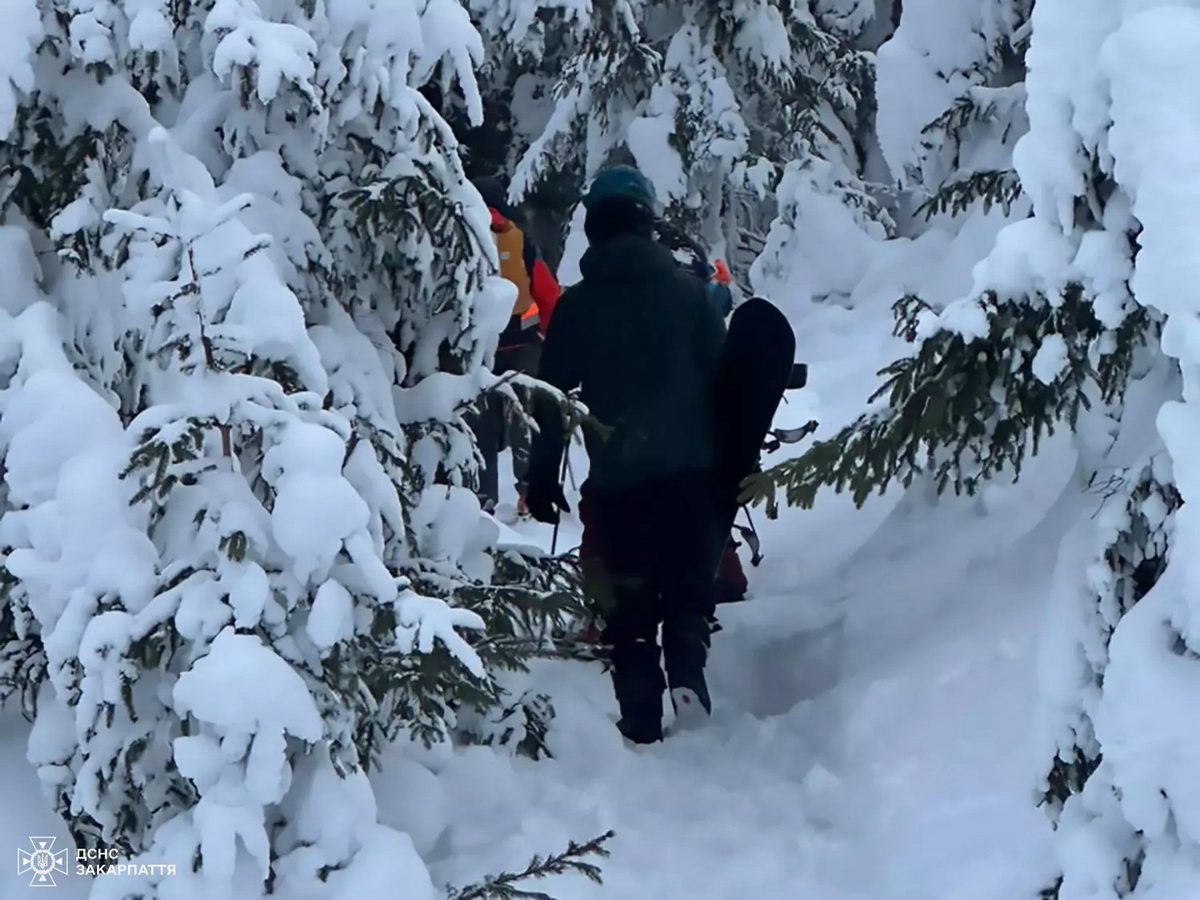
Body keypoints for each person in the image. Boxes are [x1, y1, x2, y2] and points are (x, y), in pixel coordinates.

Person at [524, 166, 728, 744]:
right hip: (692, 472)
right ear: (647, 224)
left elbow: (553, 403)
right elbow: (724, 380)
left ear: (593, 230)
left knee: (628, 596)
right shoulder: (693, 296)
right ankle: (687, 662)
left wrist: (541, 478)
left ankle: (640, 710)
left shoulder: (575, 309)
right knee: (688, 582)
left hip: (618, 481)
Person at [469, 176, 561, 514]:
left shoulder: (461, 234)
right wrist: (549, 336)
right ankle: (528, 494)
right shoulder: (520, 239)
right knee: (524, 422)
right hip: (522, 341)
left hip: (479, 347)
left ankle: (482, 498)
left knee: (483, 426)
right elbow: (547, 293)